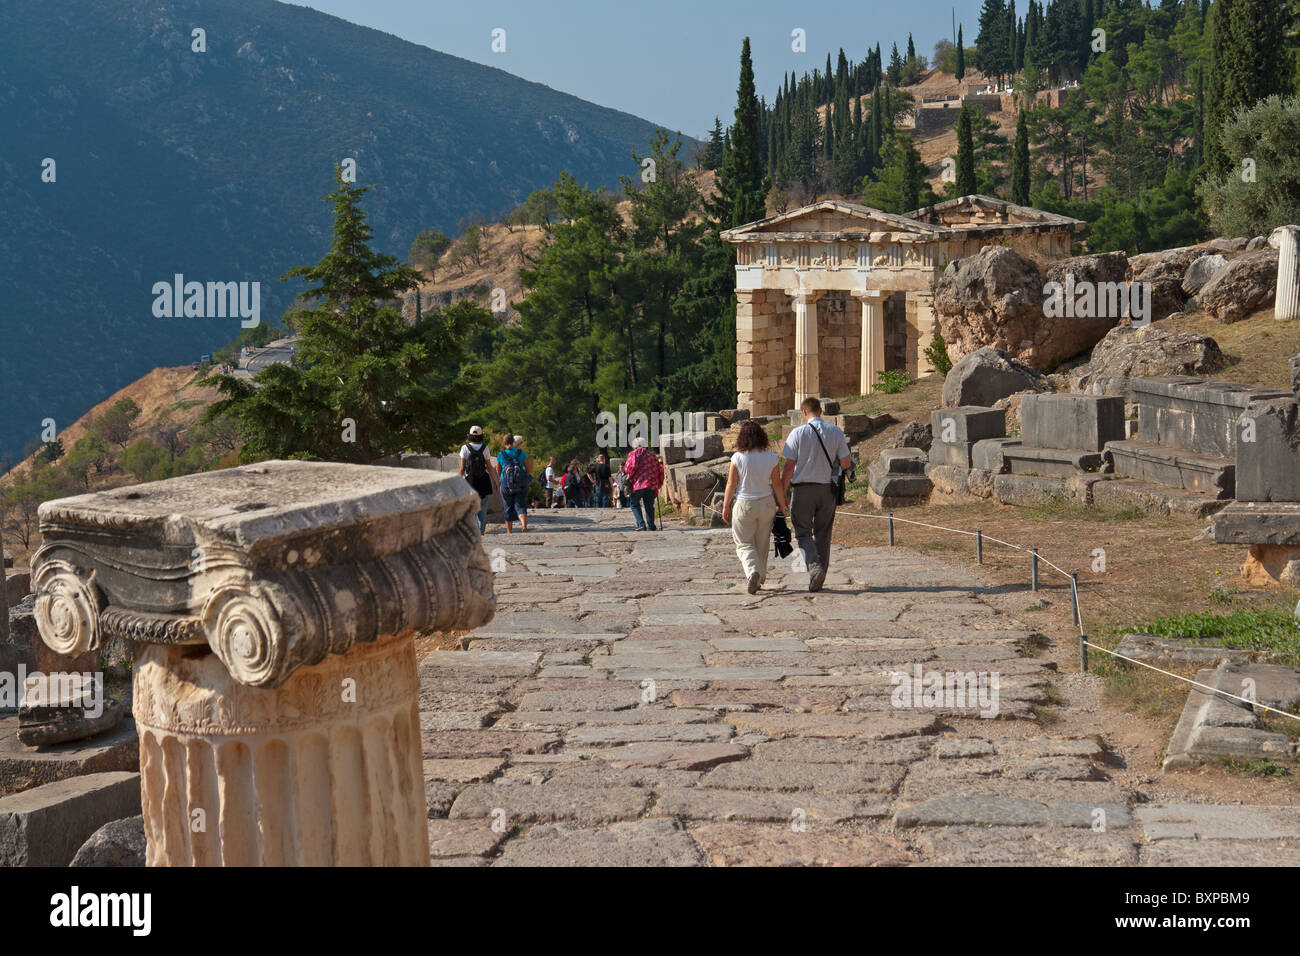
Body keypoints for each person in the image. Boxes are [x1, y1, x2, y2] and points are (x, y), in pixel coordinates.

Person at [780, 397, 851, 592]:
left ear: (804, 413)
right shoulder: (836, 432)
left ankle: (814, 568)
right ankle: (820, 574)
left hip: (802, 490)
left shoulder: (797, 433)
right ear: (820, 411)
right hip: (827, 490)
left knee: (802, 531)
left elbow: (788, 467)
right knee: (823, 533)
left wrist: (782, 493)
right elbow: (845, 463)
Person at [722, 420, 788, 594]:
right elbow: (777, 485)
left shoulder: (737, 457)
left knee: (744, 543)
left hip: (744, 503)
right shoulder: (771, 457)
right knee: (762, 543)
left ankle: (753, 572)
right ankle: (760, 578)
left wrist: (726, 505)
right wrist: (782, 504)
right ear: (762, 437)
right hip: (766, 503)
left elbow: (731, 483)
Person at [457, 425, 499, 534]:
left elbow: (462, 468)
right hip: (483, 481)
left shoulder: (465, 448)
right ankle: (481, 532)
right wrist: (496, 481)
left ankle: (471, 531)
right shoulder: (485, 448)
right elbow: (489, 467)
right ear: (481, 436)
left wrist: (457, 482)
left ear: (470, 435)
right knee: (483, 507)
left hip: (469, 481)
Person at [622, 438, 663, 531]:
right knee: (649, 506)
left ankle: (641, 524)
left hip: (638, 484)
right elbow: (659, 469)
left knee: (634, 503)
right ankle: (651, 526)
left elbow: (629, 467)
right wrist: (658, 483)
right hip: (651, 484)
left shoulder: (634, 454)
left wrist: (629, 475)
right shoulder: (652, 455)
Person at [496, 432, 532, 533]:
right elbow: (529, 469)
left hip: (506, 484)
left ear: (504, 443)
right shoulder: (521, 453)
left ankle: (509, 531)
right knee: (521, 505)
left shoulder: (501, 454)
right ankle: (524, 525)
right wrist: (524, 476)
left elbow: (498, 470)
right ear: (513, 442)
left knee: (508, 506)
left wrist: (502, 478)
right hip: (521, 483)